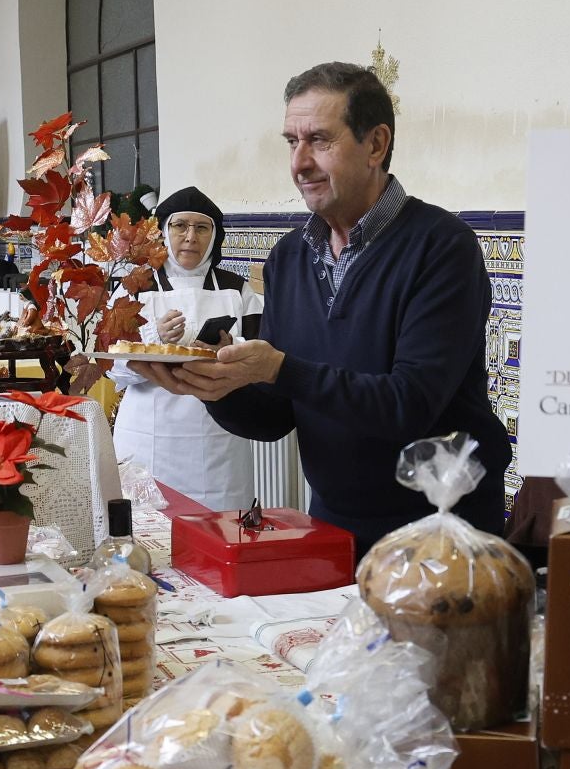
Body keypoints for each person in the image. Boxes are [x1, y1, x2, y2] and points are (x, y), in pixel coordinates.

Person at [132, 61, 510, 557]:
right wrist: (213, 385)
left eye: (319, 140)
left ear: (376, 144)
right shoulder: (289, 258)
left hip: (440, 537)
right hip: (331, 529)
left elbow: (409, 404)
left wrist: (279, 368)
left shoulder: (441, 248)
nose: (299, 163)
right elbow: (276, 417)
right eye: (292, 141)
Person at [110, 186, 264, 510]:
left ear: (214, 235)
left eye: (201, 227)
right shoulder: (134, 288)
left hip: (219, 443)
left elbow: (260, 359)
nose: (190, 237)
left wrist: (229, 347)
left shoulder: (239, 291)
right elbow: (112, 369)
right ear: (164, 231)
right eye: (180, 226)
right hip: (147, 440)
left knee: (221, 531)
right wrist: (155, 338)